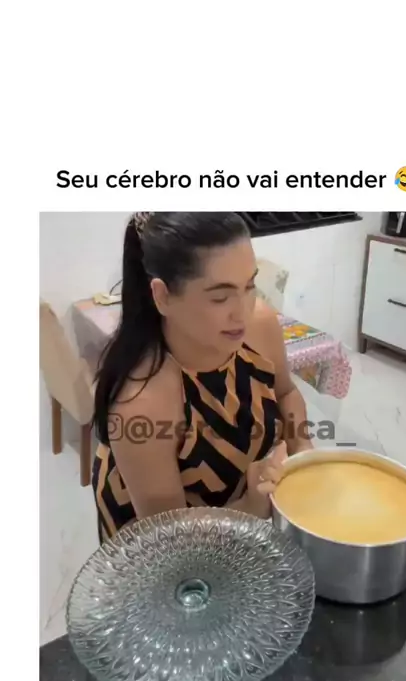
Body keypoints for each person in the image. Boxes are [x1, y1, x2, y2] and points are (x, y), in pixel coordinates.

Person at [92, 212, 313, 543]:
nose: (242, 311)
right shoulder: (141, 403)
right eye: (220, 297)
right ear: (163, 296)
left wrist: (302, 447)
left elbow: (286, 393)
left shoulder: (260, 324)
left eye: (249, 286)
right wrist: (250, 506)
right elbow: (170, 538)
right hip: (162, 545)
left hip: (235, 517)